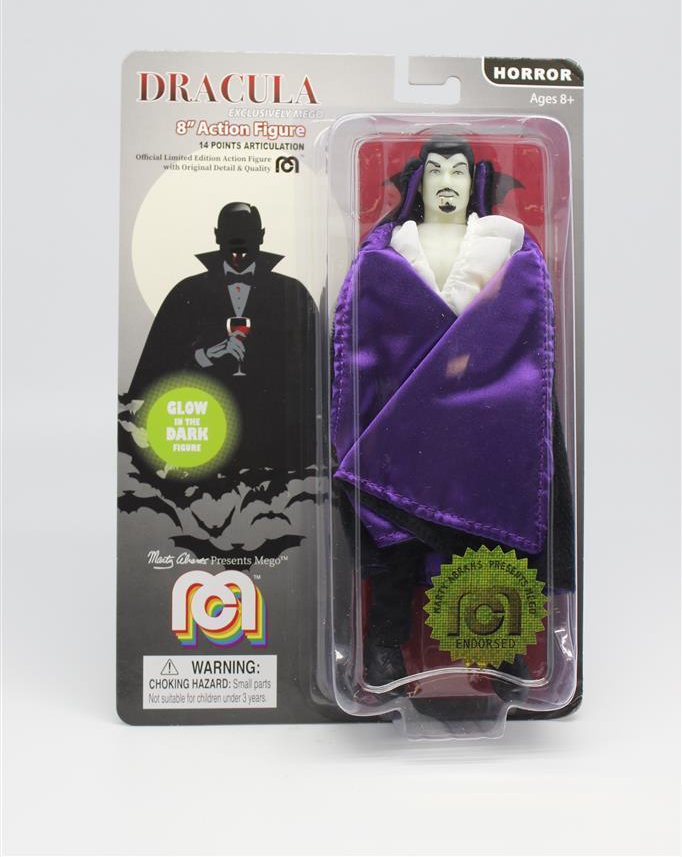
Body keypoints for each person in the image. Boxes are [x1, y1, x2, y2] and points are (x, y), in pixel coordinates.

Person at [331, 140, 574, 692]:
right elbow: (371, 328)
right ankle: (385, 646)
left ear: (474, 183)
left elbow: (520, 319)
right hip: (405, 414)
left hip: (482, 411)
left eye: (459, 171)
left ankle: (499, 651)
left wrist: (478, 352)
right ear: (418, 183)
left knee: (487, 535)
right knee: (397, 535)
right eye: (436, 170)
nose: (447, 181)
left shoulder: (504, 245)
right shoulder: (391, 249)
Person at [128, 201, 318, 473]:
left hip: (276, 447)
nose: (238, 250)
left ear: (261, 236)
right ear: (217, 236)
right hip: (203, 444)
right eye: (231, 239)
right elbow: (153, 374)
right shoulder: (186, 293)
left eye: (246, 238)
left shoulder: (293, 293)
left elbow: (315, 375)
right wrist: (206, 355)